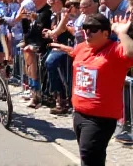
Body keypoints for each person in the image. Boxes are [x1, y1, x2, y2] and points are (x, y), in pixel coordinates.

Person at [50, 14, 133, 166]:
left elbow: (131, 53)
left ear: (106, 33)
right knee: (91, 157)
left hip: (100, 118)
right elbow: (76, 54)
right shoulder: (82, 48)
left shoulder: (115, 51)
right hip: (79, 113)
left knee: (89, 156)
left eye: (93, 29)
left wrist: (121, 32)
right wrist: (66, 49)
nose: (87, 32)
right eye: (85, 28)